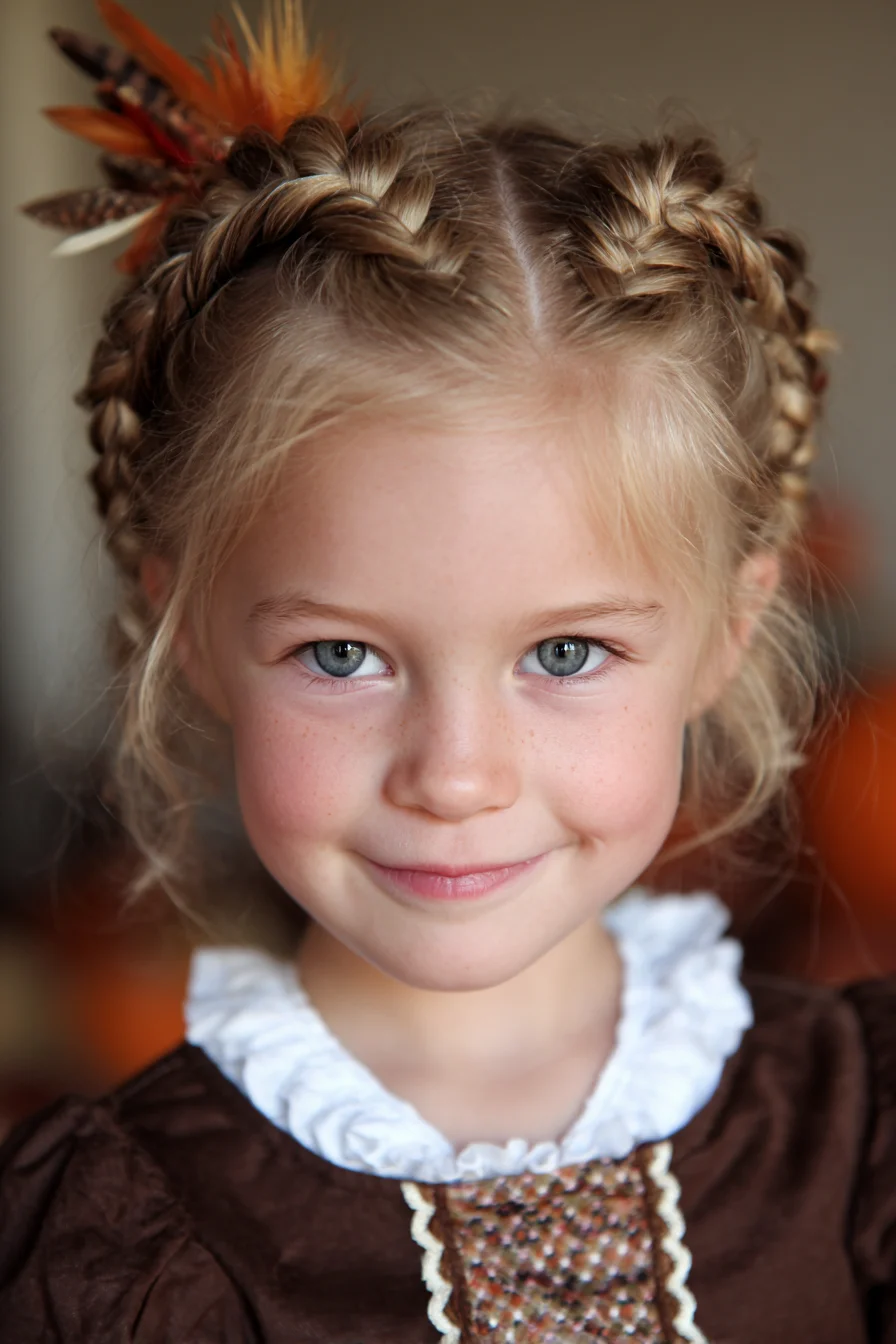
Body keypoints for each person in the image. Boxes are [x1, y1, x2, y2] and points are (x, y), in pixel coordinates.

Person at [1, 4, 893, 1340]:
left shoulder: (862, 1133)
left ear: (725, 633)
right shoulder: (110, 1239)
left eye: (568, 652)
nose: (456, 774)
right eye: (344, 655)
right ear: (187, 632)